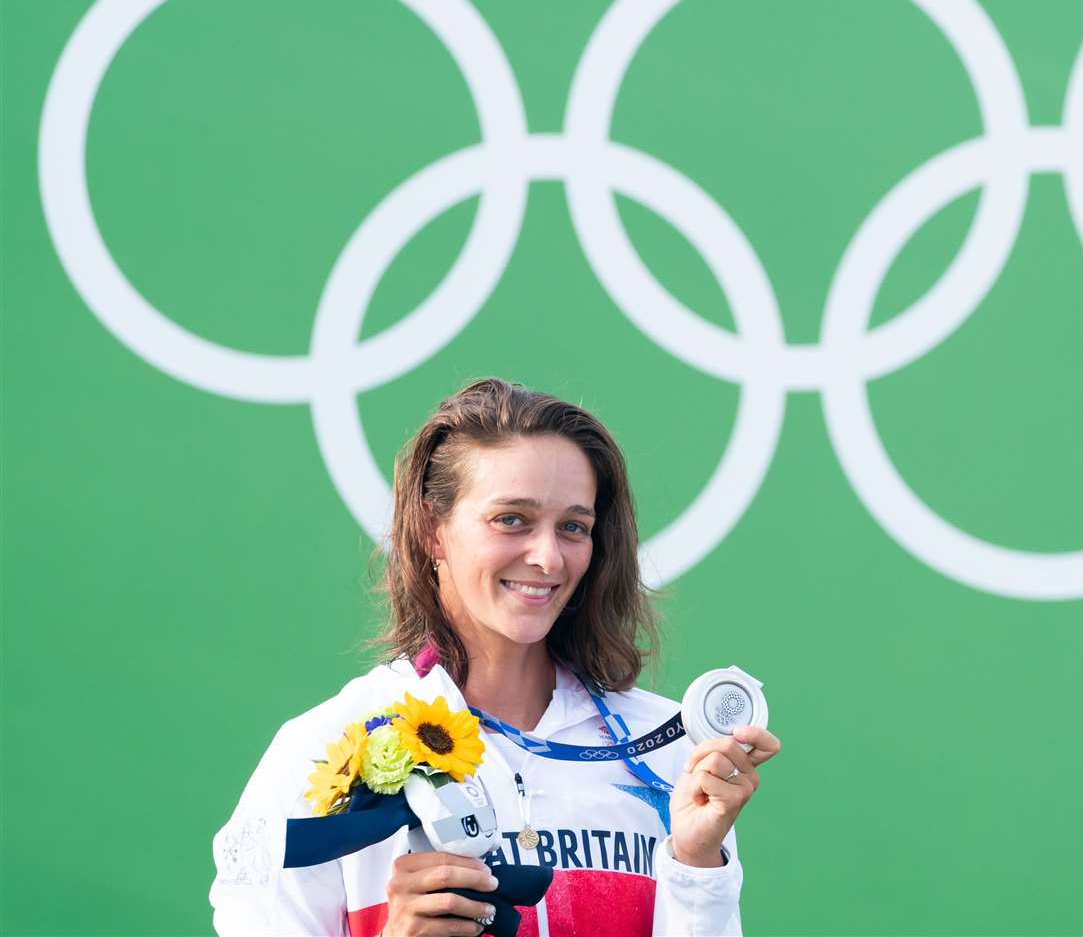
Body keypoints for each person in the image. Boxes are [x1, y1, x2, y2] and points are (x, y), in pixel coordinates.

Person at [210, 378, 780, 935]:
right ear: (434, 531)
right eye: (512, 519)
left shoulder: (666, 746)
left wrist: (695, 862)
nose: (548, 558)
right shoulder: (324, 750)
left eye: (574, 527)